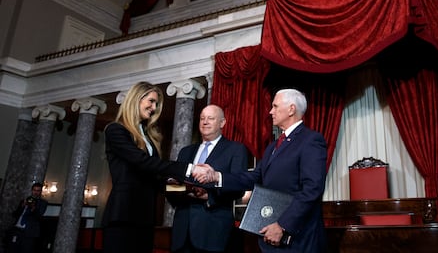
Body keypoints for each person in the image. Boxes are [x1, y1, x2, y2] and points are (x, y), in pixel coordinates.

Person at [196, 89, 328, 253]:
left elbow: (312, 189)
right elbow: (254, 176)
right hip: (271, 237)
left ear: (291, 109)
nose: (270, 111)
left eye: (275, 106)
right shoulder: (274, 146)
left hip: (298, 238)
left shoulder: (311, 140)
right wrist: (217, 176)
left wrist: (283, 225)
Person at [102, 81, 205, 253]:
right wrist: (190, 169)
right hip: (122, 216)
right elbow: (143, 162)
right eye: (151, 101)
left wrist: (188, 190)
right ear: (136, 99)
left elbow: (156, 181)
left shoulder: (149, 137)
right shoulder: (115, 130)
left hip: (145, 218)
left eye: (156, 104)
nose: (154, 107)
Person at [169, 104, 248, 253]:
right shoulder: (185, 151)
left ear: (222, 123)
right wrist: (180, 190)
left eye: (210, 118)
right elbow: (173, 187)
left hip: (213, 230)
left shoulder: (236, 149)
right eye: (202, 118)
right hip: (182, 232)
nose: (205, 122)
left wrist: (208, 196)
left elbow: (238, 186)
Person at [7, 182, 48, 253]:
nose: (36, 192)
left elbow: (39, 216)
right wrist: (22, 206)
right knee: (12, 250)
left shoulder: (43, 203)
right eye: (34, 190)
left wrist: (33, 208)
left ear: (41, 192)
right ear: (32, 190)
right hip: (17, 230)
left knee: (25, 250)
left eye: (38, 190)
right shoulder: (25, 200)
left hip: (29, 232)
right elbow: (15, 214)